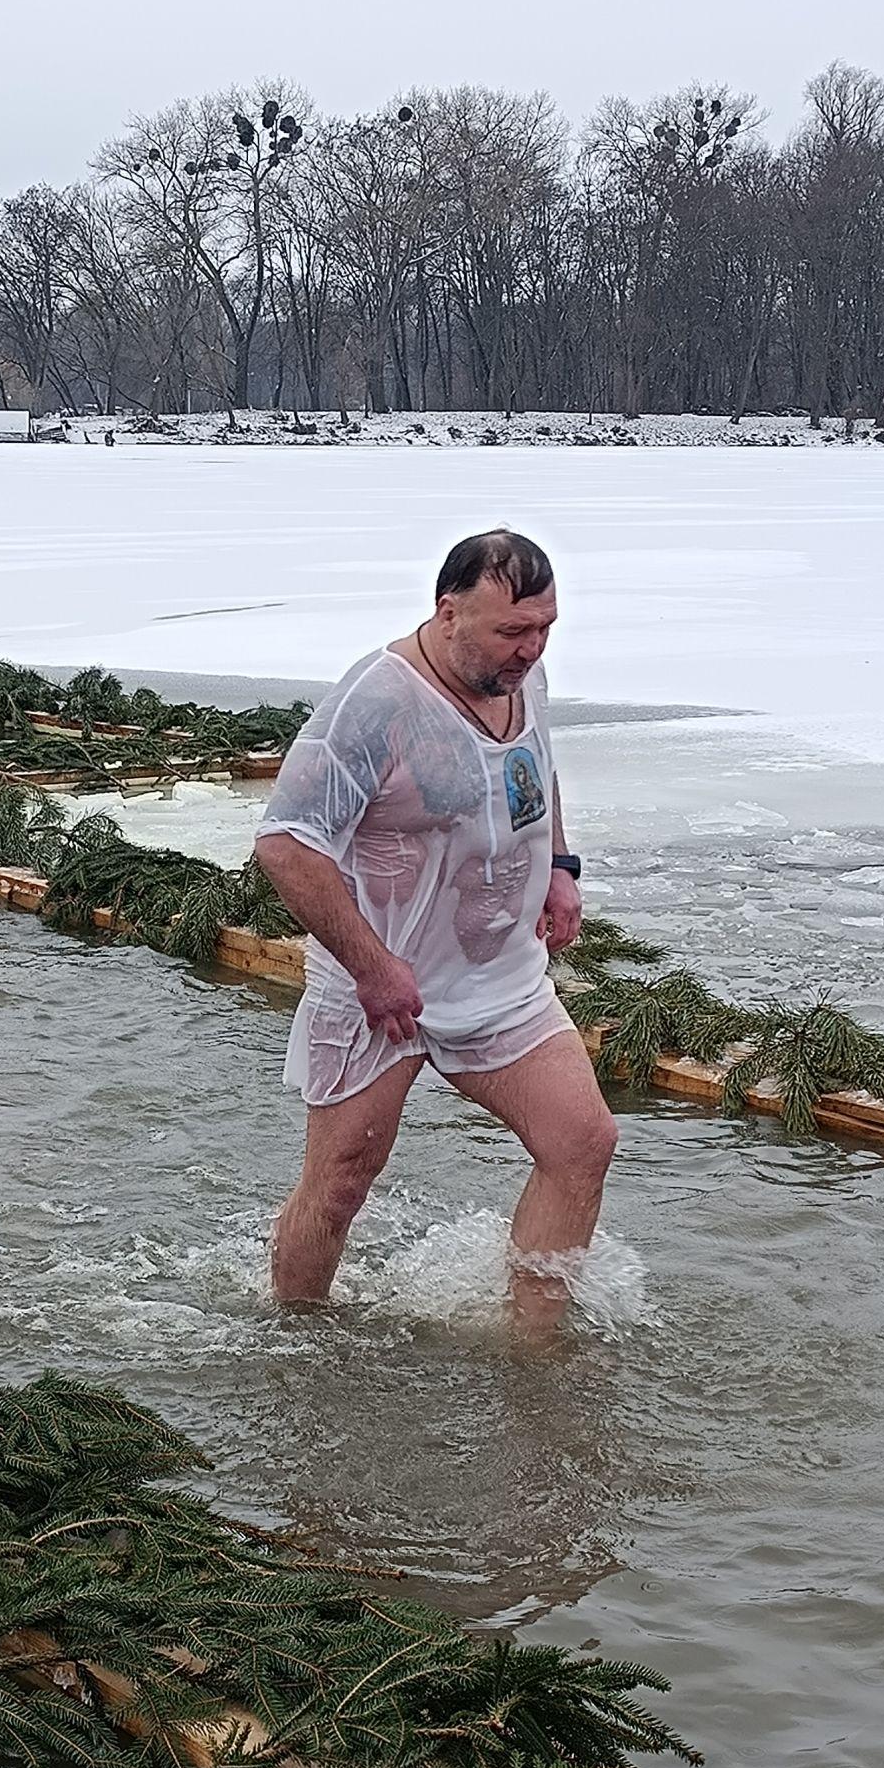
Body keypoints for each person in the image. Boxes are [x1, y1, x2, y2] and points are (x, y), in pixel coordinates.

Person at [254, 528, 617, 1327]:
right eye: (511, 632)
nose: (530, 649)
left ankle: (535, 1357)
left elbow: (536, 763)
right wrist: (371, 966)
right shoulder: (377, 701)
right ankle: (295, 1336)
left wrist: (560, 865)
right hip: (381, 983)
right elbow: (286, 844)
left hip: (496, 973)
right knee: (343, 1181)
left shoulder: (524, 674)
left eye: (543, 629)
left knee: (582, 1142)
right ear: (447, 612)